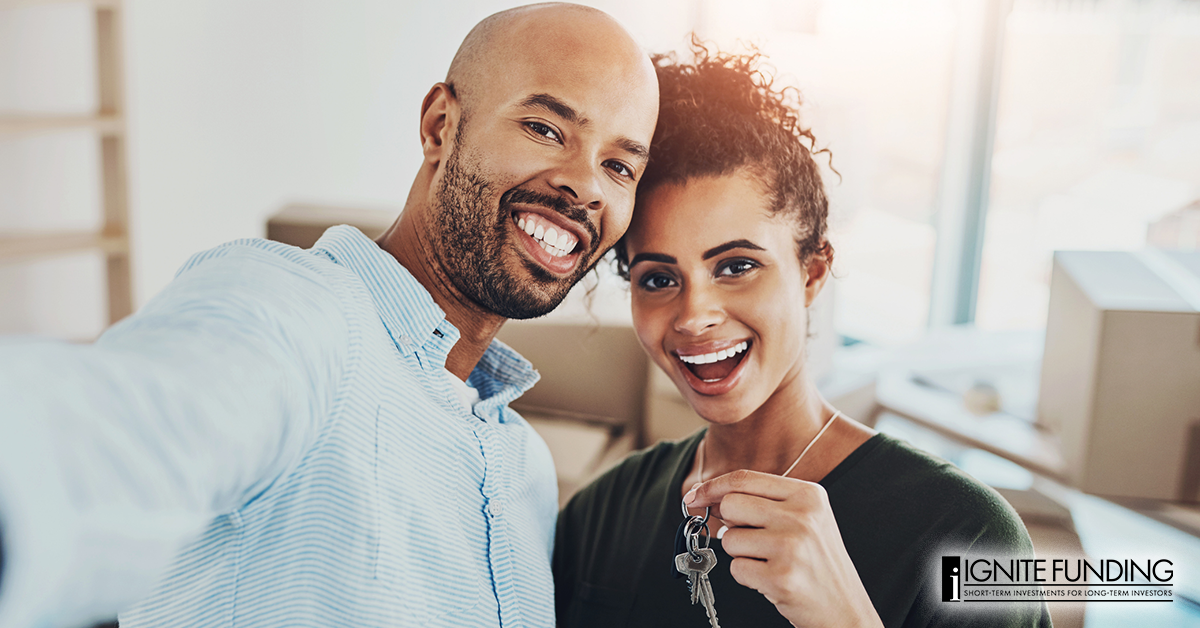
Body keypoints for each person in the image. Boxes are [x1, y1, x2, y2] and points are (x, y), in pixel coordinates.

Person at [0, 4, 658, 627]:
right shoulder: (296, 308)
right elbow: (124, 430)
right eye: (545, 129)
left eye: (619, 165)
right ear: (439, 126)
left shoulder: (527, 471)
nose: (588, 186)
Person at [552, 44, 1053, 628]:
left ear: (813, 272)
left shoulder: (969, 533)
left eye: (737, 266)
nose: (694, 315)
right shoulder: (600, 516)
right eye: (659, 279)